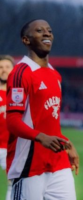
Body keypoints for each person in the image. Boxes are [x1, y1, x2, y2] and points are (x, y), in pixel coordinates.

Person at [6, 19, 79, 200]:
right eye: (39, 31)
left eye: (49, 31)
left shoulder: (55, 75)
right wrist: (40, 137)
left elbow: (50, 120)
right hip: (29, 166)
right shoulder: (21, 72)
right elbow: (13, 122)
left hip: (58, 164)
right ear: (26, 40)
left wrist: (67, 144)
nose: (47, 33)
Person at [0, 55, 14, 200]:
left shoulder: (18, 94)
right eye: (0, 67)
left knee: (12, 183)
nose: (4, 70)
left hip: (10, 147)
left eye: (7, 67)